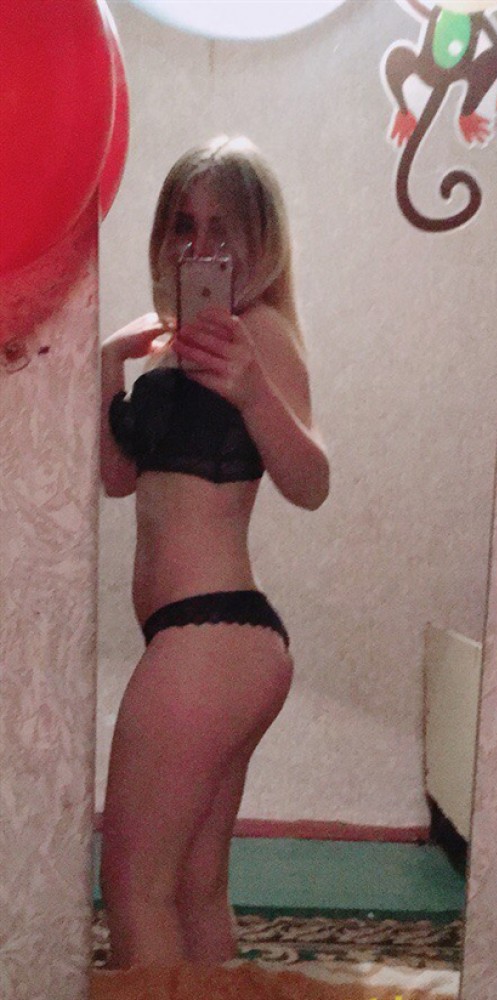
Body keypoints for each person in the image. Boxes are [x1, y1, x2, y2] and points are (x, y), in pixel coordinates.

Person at [99, 135, 330, 970]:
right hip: (207, 643)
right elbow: (118, 479)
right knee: (194, 887)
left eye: (222, 229)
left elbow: (311, 482)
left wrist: (252, 392)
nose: (199, 246)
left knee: (133, 887)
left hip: (211, 639)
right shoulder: (172, 347)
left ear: (259, 241)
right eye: (183, 225)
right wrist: (109, 365)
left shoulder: (257, 332)